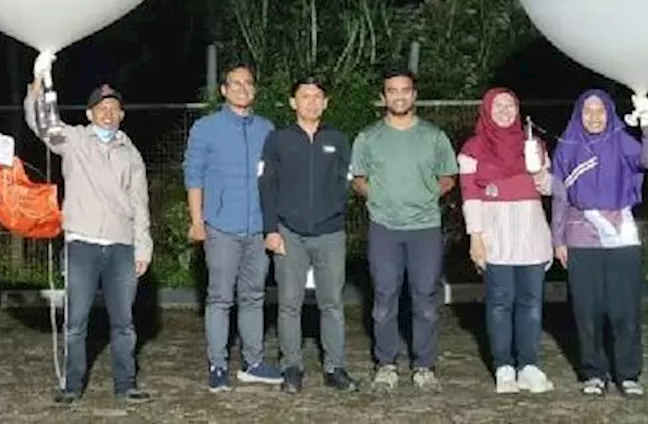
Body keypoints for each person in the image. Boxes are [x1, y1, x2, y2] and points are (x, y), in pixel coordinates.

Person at [24, 58, 153, 404]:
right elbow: (41, 123)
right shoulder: (74, 141)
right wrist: (36, 87)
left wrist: (143, 248)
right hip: (81, 243)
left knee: (124, 322)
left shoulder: (131, 153)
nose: (108, 113)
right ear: (89, 113)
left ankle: (126, 384)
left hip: (121, 246)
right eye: (101, 108)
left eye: (114, 108)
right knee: (76, 321)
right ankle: (71, 386)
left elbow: (140, 204)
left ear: (122, 115)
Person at [350, 68, 458, 392]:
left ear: (415, 95)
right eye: (392, 90)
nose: (399, 95)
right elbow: (358, 179)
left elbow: (448, 176)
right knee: (384, 297)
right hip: (385, 228)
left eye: (405, 90)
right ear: (384, 97)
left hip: (425, 229)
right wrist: (380, 197)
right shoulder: (368, 138)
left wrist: (426, 195)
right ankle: (386, 364)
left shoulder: (434, 136)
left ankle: (424, 365)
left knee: (425, 299)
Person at [550, 89, 648, 398]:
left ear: (609, 113)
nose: (594, 117)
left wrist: (647, 125)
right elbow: (559, 197)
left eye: (600, 111)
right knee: (587, 311)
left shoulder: (621, 139)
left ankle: (628, 373)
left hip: (622, 235)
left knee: (624, 309)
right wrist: (558, 239)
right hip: (580, 237)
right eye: (588, 111)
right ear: (578, 114)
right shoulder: (567, 146)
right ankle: (593, 372)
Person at [183, 63, 282, 391]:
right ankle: (218, 364)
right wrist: (197, 221)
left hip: (257, 228)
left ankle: (252, 362)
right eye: (235, 84)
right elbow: (193, 175)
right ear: (223, 90)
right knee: (220, 298)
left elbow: (273, 178)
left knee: (254, 296)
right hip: (221, 227)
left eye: (248, 84)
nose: (242, 89)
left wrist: (273, 225)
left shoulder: (266, 128)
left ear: (254, 90)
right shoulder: (205, 128)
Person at [258, 76, 358, 394]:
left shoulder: (338, 139)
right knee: (289, 303)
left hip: (330, 233)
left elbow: (347, 181)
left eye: (317, 97)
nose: (311, 102)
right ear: (293, 102)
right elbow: (266, 186)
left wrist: (334, 210)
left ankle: (335, 367)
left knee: (332, 303)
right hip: (289, 232)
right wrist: (271, 230)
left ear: (325, 102)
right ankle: (292, 367)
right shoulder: (278, 140)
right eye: (305, 96)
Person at [459, 87, 555, 394]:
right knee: (500, 302)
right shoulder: (473, 149)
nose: (504, 110)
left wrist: (539, 171)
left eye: (510, 105)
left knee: (531, 302)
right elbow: (470, 194)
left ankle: (528, 364)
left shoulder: (534, 144)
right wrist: (476, 237)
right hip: (494, 232)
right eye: (498, 105)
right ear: (487, 110)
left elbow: (549, 188)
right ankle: (504, 367)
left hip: (531, 232)